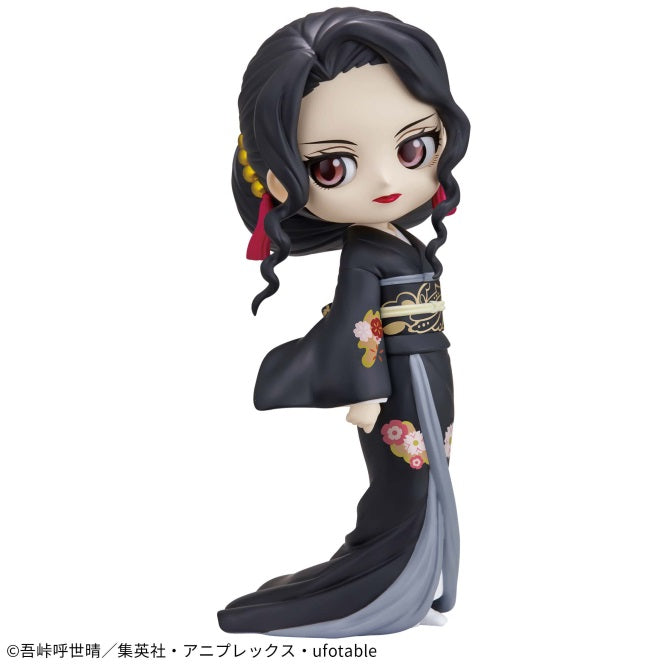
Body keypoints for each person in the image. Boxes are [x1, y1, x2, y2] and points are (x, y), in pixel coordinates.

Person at [218, 7, 470, 637]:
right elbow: (359, 322)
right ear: (282, 179)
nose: (387, 179)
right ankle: (383, 588)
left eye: (412, 149)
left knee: (434, 470)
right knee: (404, 481)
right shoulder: (366, 251)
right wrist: (368, 393)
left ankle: (417, 581)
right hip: (395, 381)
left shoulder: (399, 241)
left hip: (428, 366)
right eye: (333, 167)